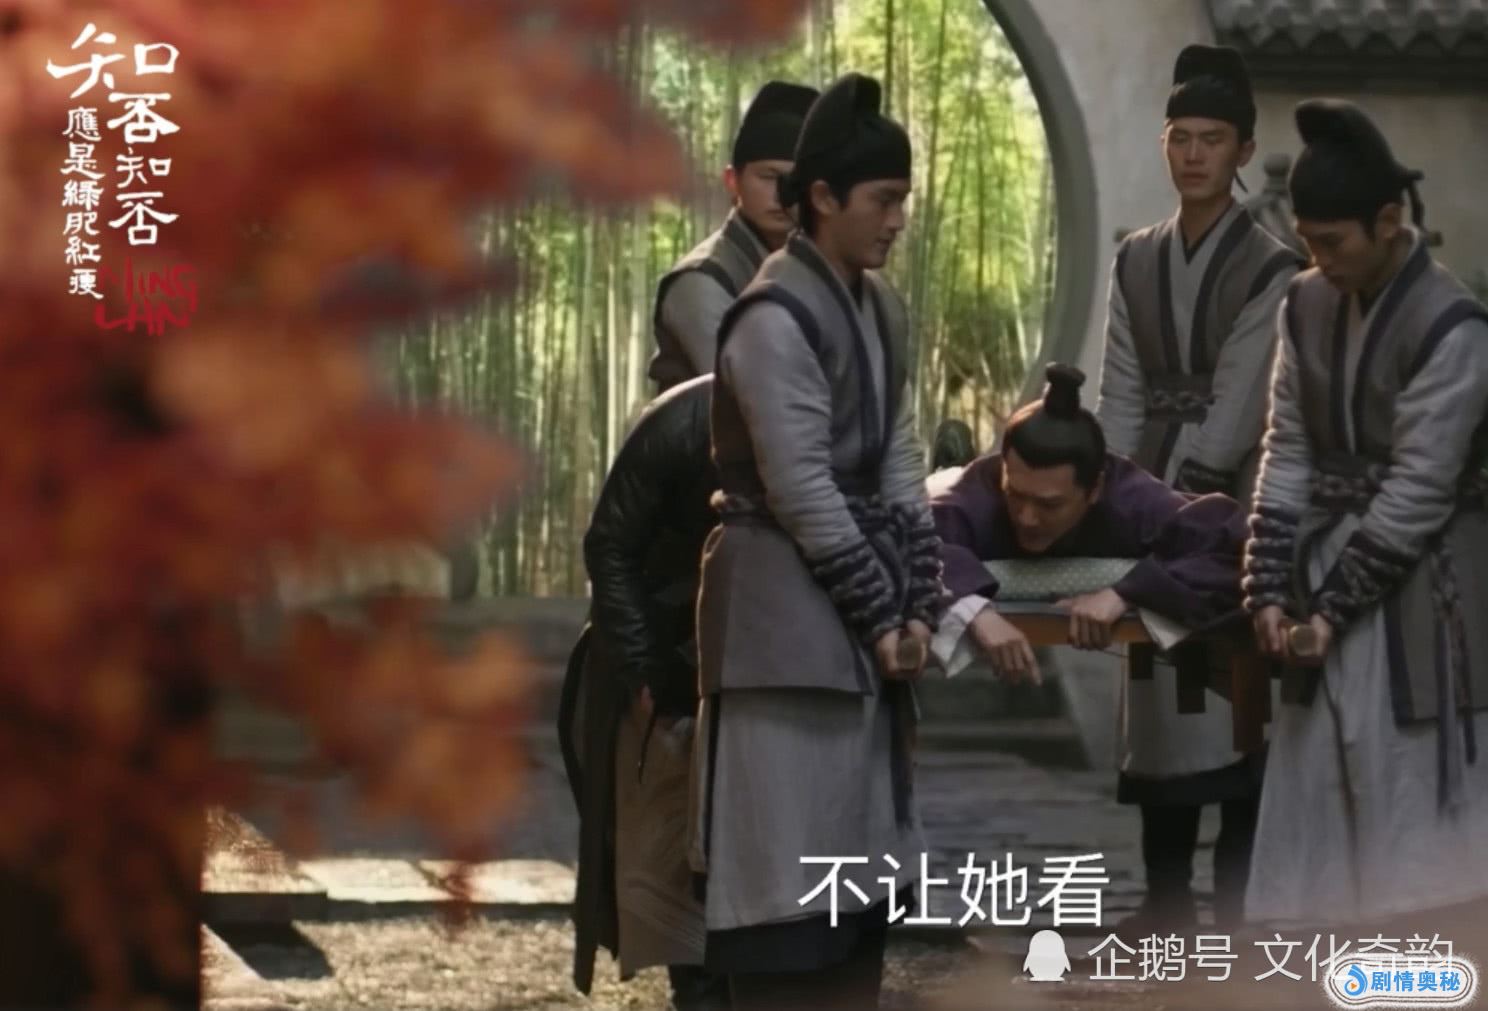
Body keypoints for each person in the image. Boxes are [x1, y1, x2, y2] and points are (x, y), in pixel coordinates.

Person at [689, 72, 945, 1010]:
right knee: (787, 868)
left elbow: (899, 455)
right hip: (781, 612)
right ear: (825, 198)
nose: (897, 220)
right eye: (884, 199)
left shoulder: (881, 307)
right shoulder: (771, 315)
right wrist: (883, 610)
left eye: (904, 200)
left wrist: (919, 595)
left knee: (854, 876)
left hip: (855, 599)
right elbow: (800, 488)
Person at [1242, 98, 1488, 930]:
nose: (1320, 260)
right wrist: (1268, 584)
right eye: (1308, 242)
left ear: (1388, 222)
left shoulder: (1453, 326)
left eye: (1333, 243)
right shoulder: (1303, 302)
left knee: (1409, 803)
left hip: (1420, 587)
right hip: (1319, 570)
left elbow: (1420, 487)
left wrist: (1333, 608)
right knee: (1313, 804)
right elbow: (1288, 446)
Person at [1092, 43, 1300, 934]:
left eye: (1212, 139)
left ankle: (1240, 907)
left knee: (1234, 697)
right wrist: (1107, 494)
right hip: (1146, 488)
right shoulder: (1135, 258)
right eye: (1180, 137)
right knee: (1157, 695)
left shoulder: (1272, 266)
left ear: (1243, 150)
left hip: (1233, 502)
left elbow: (1243, 401)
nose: (1194, 154)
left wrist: (1188, 508)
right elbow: (1120, 387)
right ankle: (1166, 899)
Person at [929, 364, 1255, 930]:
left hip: (1174, 631)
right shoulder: (974, 494)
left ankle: (1227, 920)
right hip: (977, 572)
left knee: (1217, 739)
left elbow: (1228, 543)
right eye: (1016, 496)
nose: (1027, 518)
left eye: (1049, 505)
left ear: (1095, 487)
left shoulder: (1132, 498)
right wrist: (976, 611)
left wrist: (1124, 591)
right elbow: (923, 544)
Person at [558, 375, 728, 1010]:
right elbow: (610, 545)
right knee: (682, 875)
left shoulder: (819, 412)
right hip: (669, 672)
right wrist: (646, 670)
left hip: (752, 664)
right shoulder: (683, 422)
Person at [648, 80, 819, 392]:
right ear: (732, 180)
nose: (782, 195)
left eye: (796, 182)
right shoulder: (702, 280)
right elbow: (755, 397)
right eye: (768, 177)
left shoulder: (820, 269)